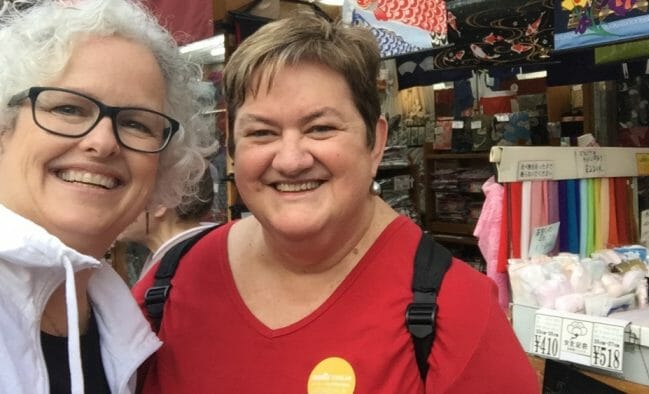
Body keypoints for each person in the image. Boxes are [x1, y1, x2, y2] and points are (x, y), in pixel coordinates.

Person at [133, 13, 539, 393]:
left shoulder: (457, 311)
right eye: (261, 133)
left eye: (321, 128)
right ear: (234, 149)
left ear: (375, 142)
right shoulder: (168, 284)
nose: (291, 160)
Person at [0, 0, 216, 392]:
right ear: (3, 127)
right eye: (68, 108)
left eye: (136, 123)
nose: (103, 142)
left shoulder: (122, 326)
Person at [120, 165, 219, 280]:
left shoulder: (193, 267)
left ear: (160, 203)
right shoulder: (181, 258)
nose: (114, 207)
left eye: (125, 194)